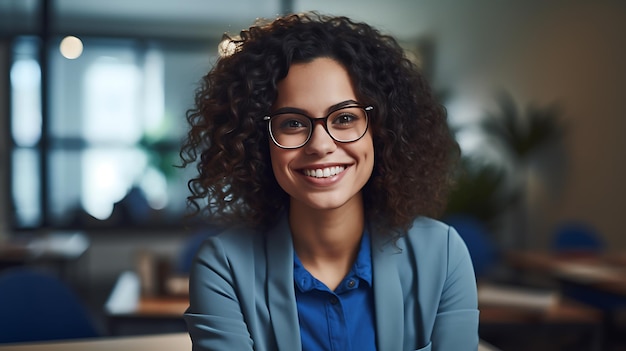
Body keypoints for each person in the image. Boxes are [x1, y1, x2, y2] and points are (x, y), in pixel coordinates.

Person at [180, 12, 478, 351]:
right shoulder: (223, 268)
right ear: (260, 142)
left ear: (381, 131)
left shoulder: (444, 254)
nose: (321, 145)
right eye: (292, 123)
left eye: (346, 117)